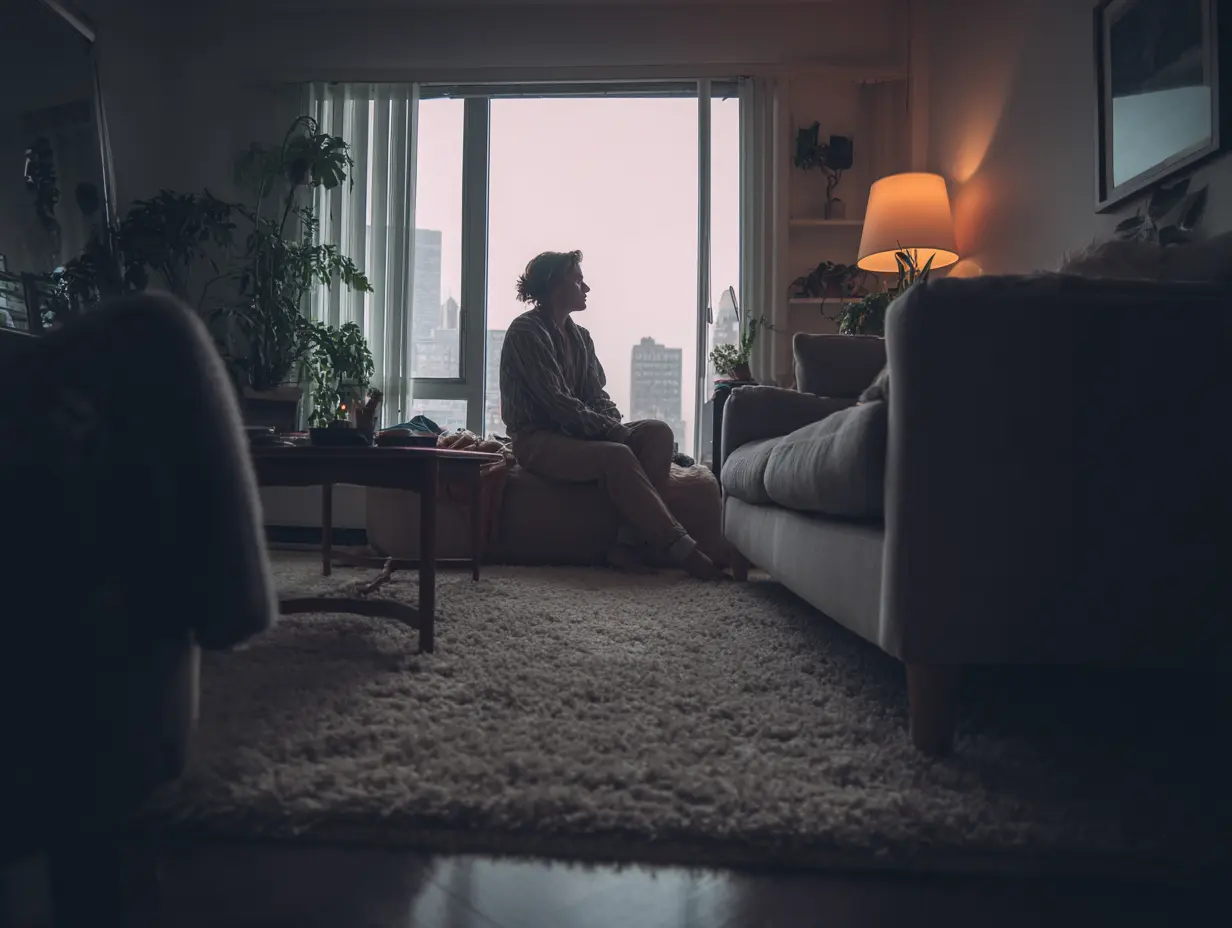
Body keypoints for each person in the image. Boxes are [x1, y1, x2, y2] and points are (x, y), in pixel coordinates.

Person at [499, 250, 724, 580]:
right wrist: (616, 435)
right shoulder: (526, 332)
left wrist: (617, 426)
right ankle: (682, 548)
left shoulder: (581, 337)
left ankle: (628, 543)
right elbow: (558, 403)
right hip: (537, 437)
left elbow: (595, 397)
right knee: (617, 456)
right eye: (578, 280)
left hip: (574, 434)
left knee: (658, 432)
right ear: (555, 286)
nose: (586, 287)